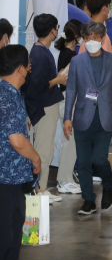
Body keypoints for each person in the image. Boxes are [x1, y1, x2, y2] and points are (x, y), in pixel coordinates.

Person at [63, 22, 112, 215]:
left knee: (99, 159)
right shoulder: (77, 61)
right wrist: (67, 117)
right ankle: (88, 200)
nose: (92, 41)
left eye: (96, 37)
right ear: (83, 39)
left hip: (105, 117)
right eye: (88, 37)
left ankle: (108, 184)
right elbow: (71, 90)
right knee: (83, 162)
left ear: (102, 38)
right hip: (82, 116)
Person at [0, 45, 41, 260]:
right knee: (8, 235)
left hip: (8, 178)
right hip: (8, 179)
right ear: (19, 69)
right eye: (28, 65)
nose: (29, 69)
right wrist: (36, 157)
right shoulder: (9, 96)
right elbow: (17, 140)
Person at [24, 13, 67, 202]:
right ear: (52, 30)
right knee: (44, 149)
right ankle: (40, 190)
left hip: (44, 105)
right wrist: (57, 79)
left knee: (44, 147)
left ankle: (40, 188)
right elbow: (40, 84)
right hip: (44, 107)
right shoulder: (39, 53)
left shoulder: (39, 51)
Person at [53, 20, 83, 194]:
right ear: (77, 36)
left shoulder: (67, 53)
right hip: (68, 100)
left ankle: (66, 176)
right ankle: (63, 179)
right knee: (70, 140)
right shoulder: (70, 56)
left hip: (67, 99)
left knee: (70, 140)